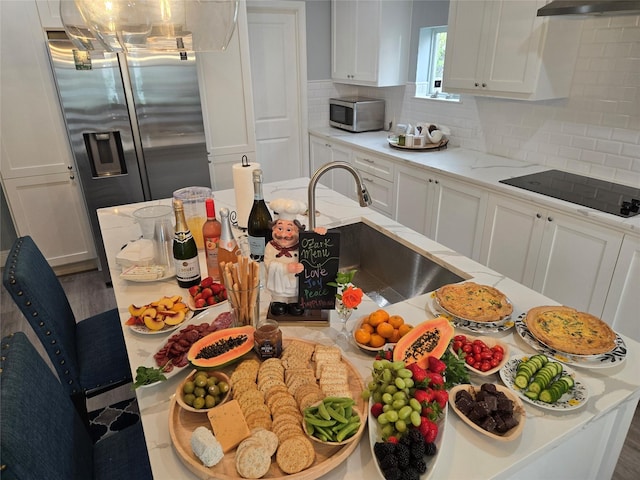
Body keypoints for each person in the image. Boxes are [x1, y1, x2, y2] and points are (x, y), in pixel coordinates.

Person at [264, 198, 325, 316]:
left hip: (297, 287)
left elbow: (318, 251)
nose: (283, 234)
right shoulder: (270, 246)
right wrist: (286, 268)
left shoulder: (304, 244)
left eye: (289, 230)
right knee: (278, 306)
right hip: (278, 286)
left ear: (298, 231)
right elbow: (267, 264)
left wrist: (319, 235)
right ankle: (279, 301)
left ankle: (293, 301)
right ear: (273, 228)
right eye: (280, 228)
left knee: (296, 304)